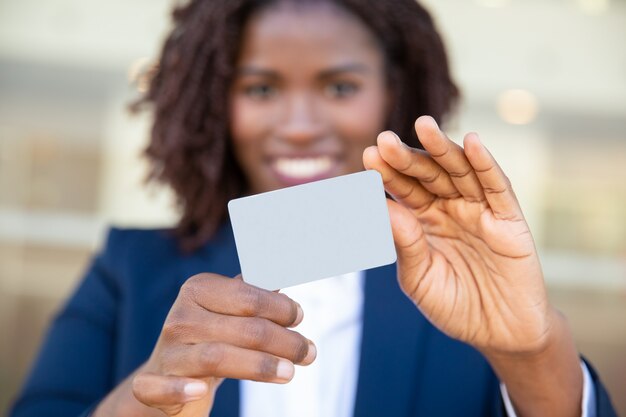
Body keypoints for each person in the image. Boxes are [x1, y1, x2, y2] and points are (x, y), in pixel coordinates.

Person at [9, 0, 618, 416]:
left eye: (340, 87)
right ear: (215, 105)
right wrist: (150, 400)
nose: (299, 126)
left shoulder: (464, 270)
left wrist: (533, 353)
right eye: (262, 88)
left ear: (393, 96)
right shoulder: (130, 265)